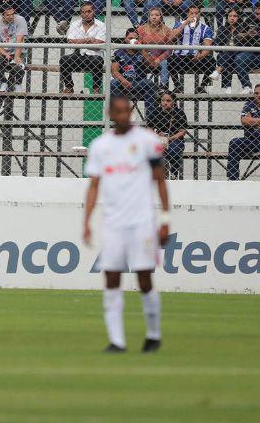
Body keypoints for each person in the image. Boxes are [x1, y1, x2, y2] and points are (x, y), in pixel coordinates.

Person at [82, 95, 169, 353]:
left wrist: (165, 219)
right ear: (110, 113)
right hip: (112, 223)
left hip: (142, 222)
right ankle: (117, 340)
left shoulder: (146, 141)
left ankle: (153, 335)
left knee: (144, 278)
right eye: (116, 111)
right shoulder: (100, 146)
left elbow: (160, 179)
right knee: (111, 277)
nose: (121, 115)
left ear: (131, 111)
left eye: (125, 111)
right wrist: (86, 221)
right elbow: (94, 185)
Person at [167, 4, 215, 92]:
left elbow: (208, 45)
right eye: (191, 13)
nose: (194, 16)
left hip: (196, 57)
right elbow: (172, 37)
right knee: (169, 60)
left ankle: (202, 87)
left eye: (196, 13)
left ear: (199, 15)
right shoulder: (179, 24)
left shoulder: (205, 28)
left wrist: (200, 56)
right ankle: (178, 86)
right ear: (187, 14)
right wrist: (185, 23)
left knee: (211, 61)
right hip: (180, 57)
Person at [60, 2, 106, 94]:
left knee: (97, 61)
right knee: (64, 60)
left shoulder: (101, 25)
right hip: (78, 54)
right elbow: (70, 41)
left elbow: (100, 43)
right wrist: (89, 40)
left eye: (89, 11)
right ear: (81, 14)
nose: (86, 14)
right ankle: (69, 86)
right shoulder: (74, 24)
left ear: (94, 12)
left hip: (94, 55)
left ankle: (96, 88)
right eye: (84, 12)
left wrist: (80, 41)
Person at [208, 8, 252, 94]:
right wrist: (224, 47)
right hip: (226, 55)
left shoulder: (243, 30)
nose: (232, 18)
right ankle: (232, 86)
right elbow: (217, 43)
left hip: (239, 54)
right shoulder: (222, 29)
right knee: (224, 55)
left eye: (235, 16)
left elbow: (244, 45)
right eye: (230, 16)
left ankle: (226, 84)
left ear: (239, 18)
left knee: (226, 54)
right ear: (227, 17)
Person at [147, 91, 188, 180]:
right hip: (158, 139)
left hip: (174, 139)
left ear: (173, 102)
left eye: (168, 101)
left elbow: (182, 132)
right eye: (163, 100)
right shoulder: (156, 112)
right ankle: (158, 175)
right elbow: (149, 129)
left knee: (174, 150)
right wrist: (156, 135)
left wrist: (169, 138)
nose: (165, 103)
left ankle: (173, 172)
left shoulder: (179, 113)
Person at [110, 29, 155, 109]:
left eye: (136, 39)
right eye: (130, 38)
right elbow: (114, 71)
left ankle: (150, 117)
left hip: (138, 83)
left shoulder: (144, 51)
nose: (133, 40)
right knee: (113, 82)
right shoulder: (118, 52)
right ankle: (117, 115)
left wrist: (141, 49)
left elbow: (151, 65)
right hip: (122, 83)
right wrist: (123, 80)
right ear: (125, 39)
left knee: (149, 83)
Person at [0, 5, 28, 92]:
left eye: (12, 14)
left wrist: (17, 56)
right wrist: (5, 54)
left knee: (19, 65)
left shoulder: (20, 20)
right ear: (2, 15)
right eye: (8, 15)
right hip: (3, 51)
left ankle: (18, 83)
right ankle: (4, 81)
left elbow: (20, 39)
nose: (11, 17)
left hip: (18, 50)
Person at [135, 6, 173, 88]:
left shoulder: (166, 30)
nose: (154, 17)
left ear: (161, 17)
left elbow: (169, 50)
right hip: (145, 56)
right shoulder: (141, 29)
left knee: (165, 62)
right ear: (148, 17)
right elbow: (138, 44)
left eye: (157, 15)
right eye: (152, 15)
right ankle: (140, 85)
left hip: (160, 58)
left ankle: (163, 86)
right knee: (138, 60)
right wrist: (147, 57)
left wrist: (159, 59)